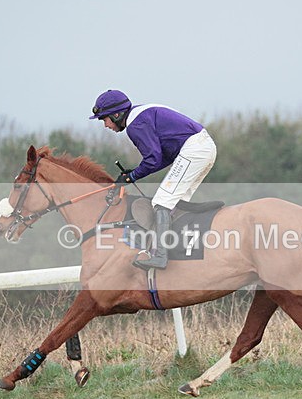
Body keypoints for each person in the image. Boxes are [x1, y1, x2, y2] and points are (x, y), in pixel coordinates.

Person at [89, 89, 217, 270]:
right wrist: (132, 174)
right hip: (201, 148)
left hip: (194, 150)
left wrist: (132, 176)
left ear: (116, 115)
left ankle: (160, 256)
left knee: (161, 201)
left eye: (105, 119)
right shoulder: (140, 115)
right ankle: (179, 251)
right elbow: (161, 157)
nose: (105, 125)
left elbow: (153, 159)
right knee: (176, 203)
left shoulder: (135, 125)